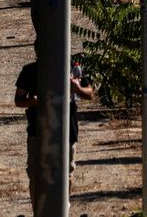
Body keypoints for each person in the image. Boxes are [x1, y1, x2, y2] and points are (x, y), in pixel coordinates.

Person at [16, 52, 95, 213]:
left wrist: (77, 87)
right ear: (38, 51)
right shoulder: (30, 71)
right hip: (37, 131)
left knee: (66, 173)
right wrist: (32, 101)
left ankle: (63, 210)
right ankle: (38, 211)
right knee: (36, 174)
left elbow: (90, 94)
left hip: (67, 132)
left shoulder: (74, 68)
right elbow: (18, 100)